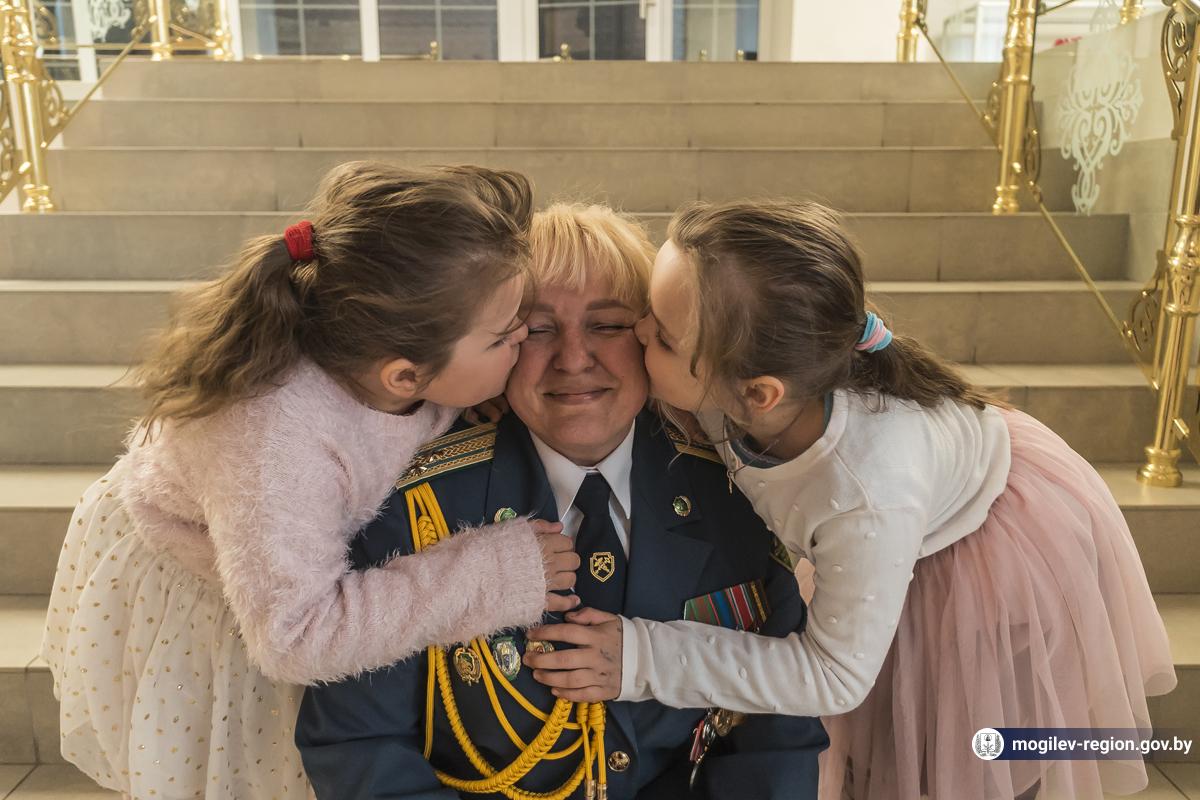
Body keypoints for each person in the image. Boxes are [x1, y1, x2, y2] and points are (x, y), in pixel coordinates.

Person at [527, 199, 1179, 800]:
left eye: (663, 337)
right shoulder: (749, 363)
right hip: (882, 514)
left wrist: (641, 656)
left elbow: (835, 676)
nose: (638, 330)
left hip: (986, 552)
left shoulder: (865, 494)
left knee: (953, 752)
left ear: (756, 395)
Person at [41, 162, 581, 800]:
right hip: (224, 589)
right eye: (504, 338)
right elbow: (296, 637)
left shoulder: (388, 358)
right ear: (404, 376)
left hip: (275, 559)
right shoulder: (275, 440)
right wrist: (489, 574)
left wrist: (472, 390)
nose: (525, 339)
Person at [295, 203, 828, 799]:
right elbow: (357, 743)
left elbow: (775, 735)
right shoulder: (416, 505)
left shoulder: (734, 490)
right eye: (538, 329)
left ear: (655, 337)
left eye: (608, 325)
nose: (574, 359)